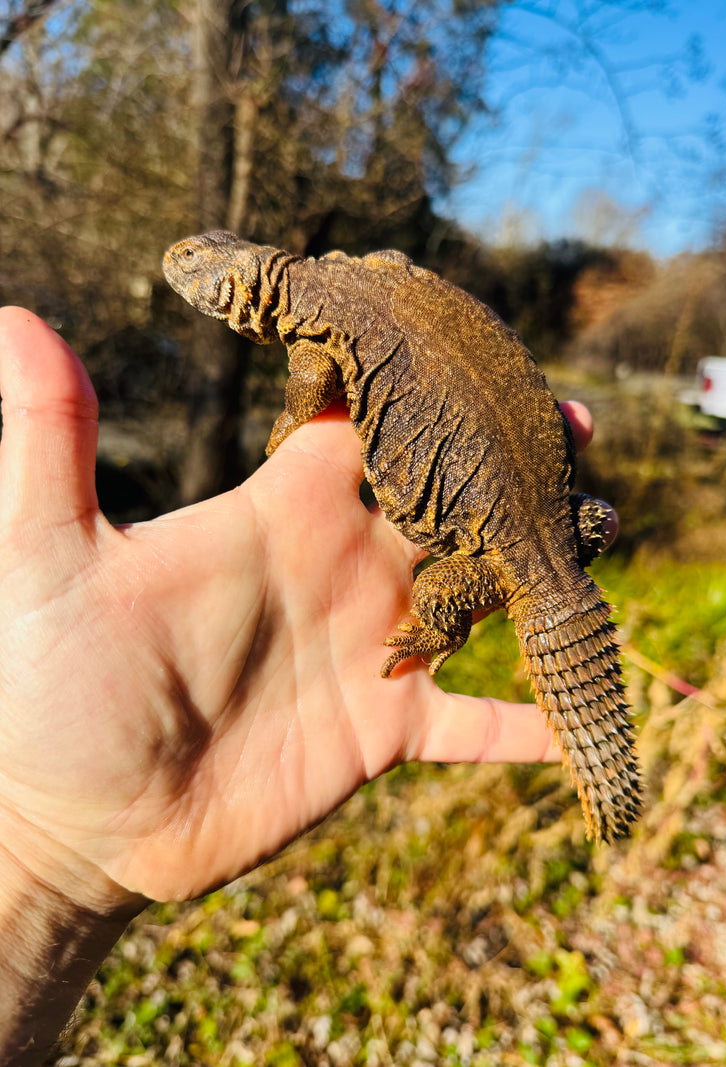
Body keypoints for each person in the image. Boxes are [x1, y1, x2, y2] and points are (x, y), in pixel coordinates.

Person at [0, 306, 615, 1065]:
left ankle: (480, 629)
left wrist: (42, 861)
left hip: (512, 537)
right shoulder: (361, 286)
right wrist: (44, 856)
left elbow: (313, 377)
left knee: (440, 598)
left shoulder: (316, 332)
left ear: (243, 295)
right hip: (554, 530)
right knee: (590, 529)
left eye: (206, 283)